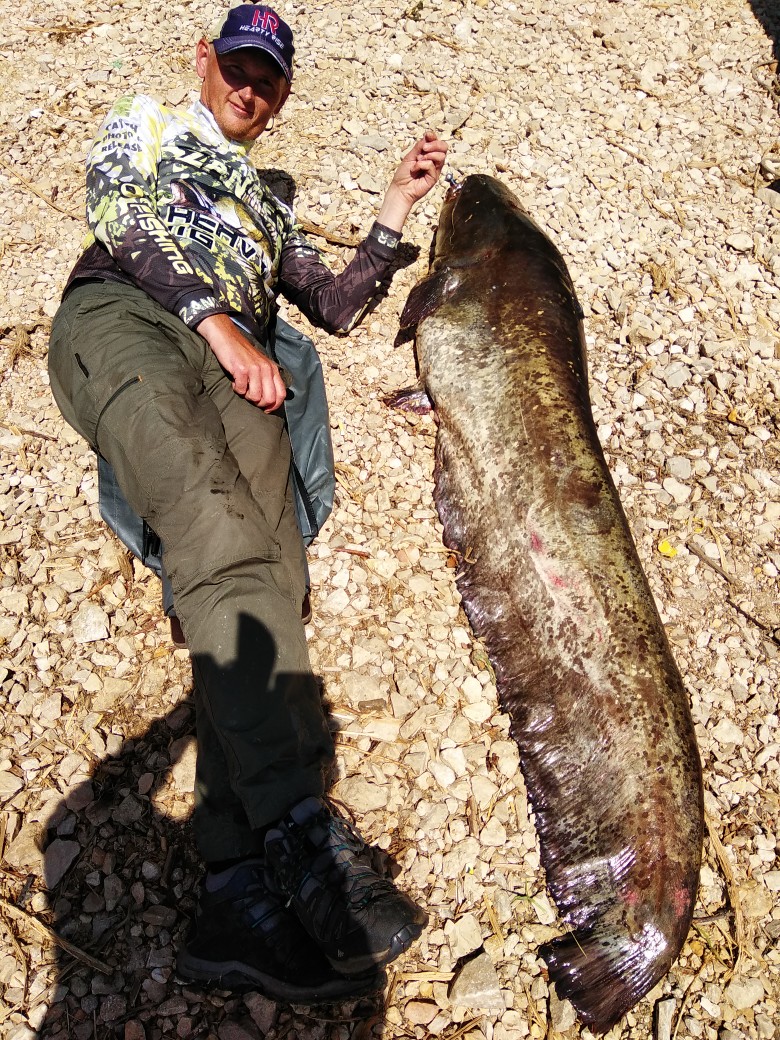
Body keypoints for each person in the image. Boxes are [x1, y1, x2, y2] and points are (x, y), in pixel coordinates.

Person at [48, 3, 447, 1006]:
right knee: (222, 544)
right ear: (203, 61)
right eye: (236, 67)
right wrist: (219, 323)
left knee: (274, 589)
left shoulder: (266, 214)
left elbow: (341, 303)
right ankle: (302, 827)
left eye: (268, 79)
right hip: (132, 321)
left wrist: (395, 207)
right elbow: (122, 219)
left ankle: (236, 894)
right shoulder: (146, 124)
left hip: (247, 371)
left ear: (282, 94)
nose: (249, 88)